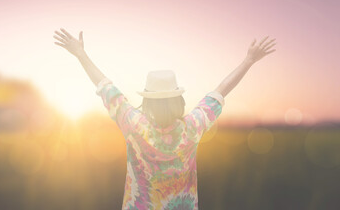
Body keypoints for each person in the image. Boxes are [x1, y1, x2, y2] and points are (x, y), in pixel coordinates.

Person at [53, 28, 276, 210]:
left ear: (148, 101)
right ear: (178, 100)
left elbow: (105, 86)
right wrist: (249, 60)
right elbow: (220, 91)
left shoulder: (133, 123)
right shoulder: (193, 127)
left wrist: (81, 54)